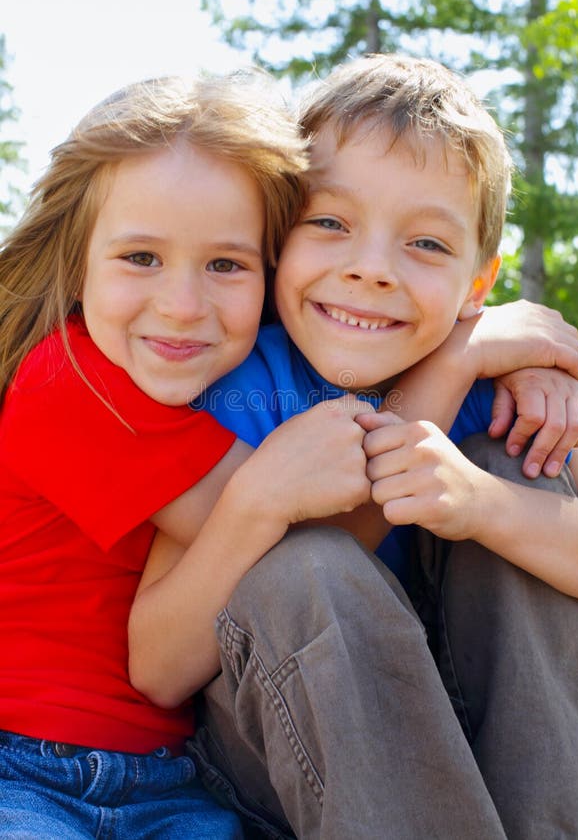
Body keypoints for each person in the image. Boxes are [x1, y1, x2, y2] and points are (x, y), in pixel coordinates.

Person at [129, 56, 578, 839]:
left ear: (478, 288)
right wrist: (447, 373)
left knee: (511, 467)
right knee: (306, 564)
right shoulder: (239, 388)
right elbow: (157, 667)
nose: (370, 269)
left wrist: (484, 505)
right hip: (285, 753)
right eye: (331, 224)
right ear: (277, 238)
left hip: (484, 748)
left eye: (424, 244)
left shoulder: (502, 392)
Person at [0, 71, 381, 838]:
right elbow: (322, 535)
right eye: (141, 257)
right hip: (24, 769)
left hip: (176, 784)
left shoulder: (238, 386)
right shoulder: (66, 383)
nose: (182, 304)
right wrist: (456, 365)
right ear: (77, 263)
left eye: (226, 265)